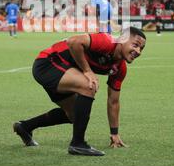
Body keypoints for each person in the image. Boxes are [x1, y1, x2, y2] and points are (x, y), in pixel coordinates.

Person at [13, 27, 147, 156]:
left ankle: (25, 127)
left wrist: (114, 133)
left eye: (141, 48)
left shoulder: (120, 68)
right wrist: (87, 71)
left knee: (74, 115)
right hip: (48, 63)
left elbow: (114, 101)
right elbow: (74, 41)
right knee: (88, 85)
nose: (138, 51)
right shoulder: (107, 41)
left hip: (63, 70)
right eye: (135, 45)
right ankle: (78, 144)